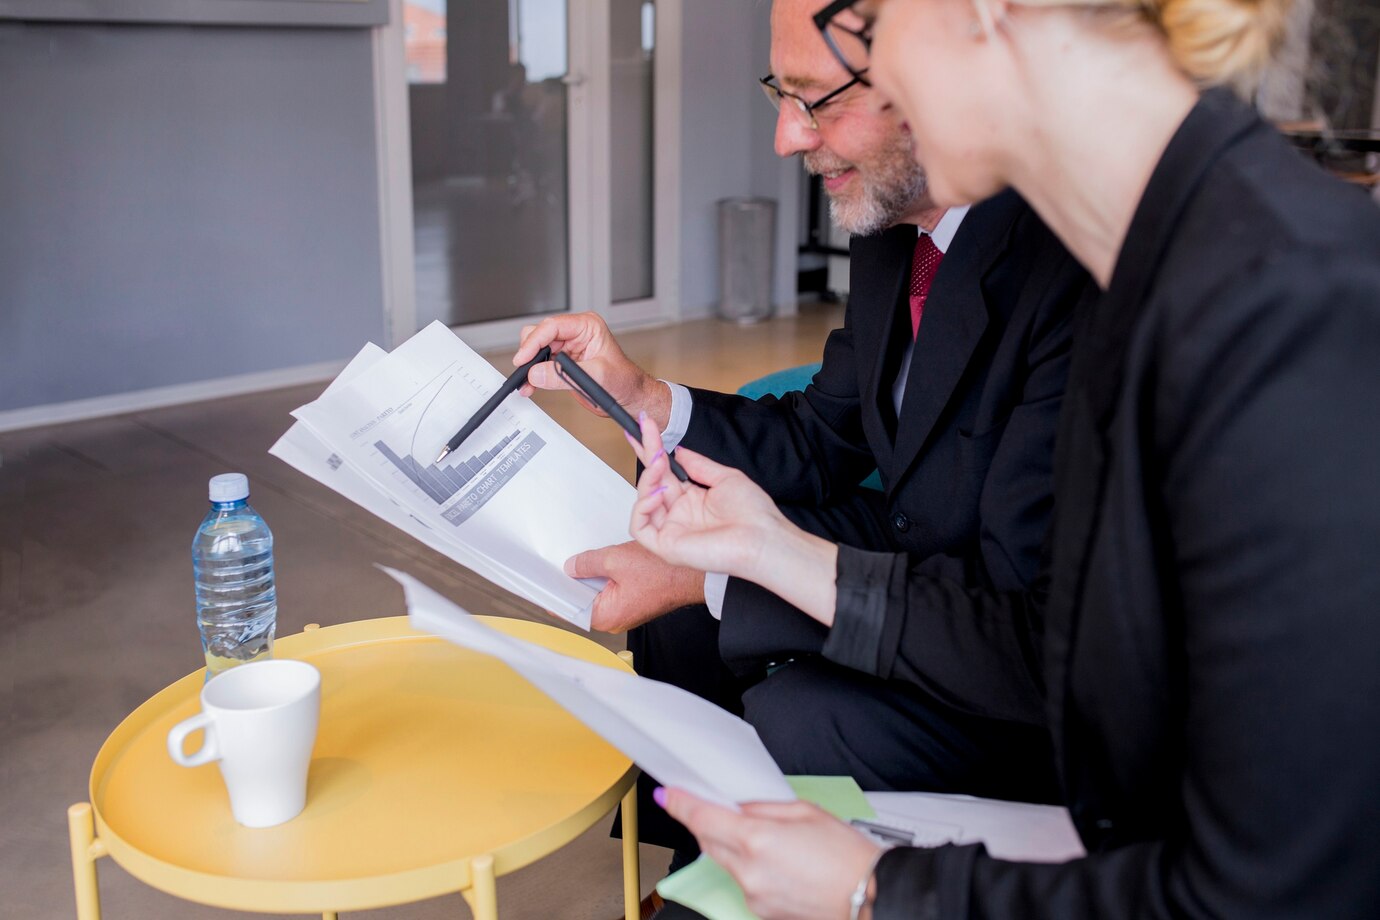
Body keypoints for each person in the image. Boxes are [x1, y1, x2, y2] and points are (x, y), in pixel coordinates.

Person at [625, 0, 1380, 916]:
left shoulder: (1291, 316)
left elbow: (1269, 893)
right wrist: (762, 550)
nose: (877, 78)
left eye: (868, 30)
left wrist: (875, 892)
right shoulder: (1166, 259)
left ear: (983, 13)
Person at [513, 0, 1091, 847]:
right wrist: (639, 395)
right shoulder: (895, 231)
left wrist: (721, 578)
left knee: (797, 710)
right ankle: (707, 872)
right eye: (779, 94)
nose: (787, 138)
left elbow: (1027, 626)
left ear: (939, 78)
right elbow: (822, 436)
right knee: (680, 603)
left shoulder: (1069, 268)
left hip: (1023, 671)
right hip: (923, 557)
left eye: (817, 98)